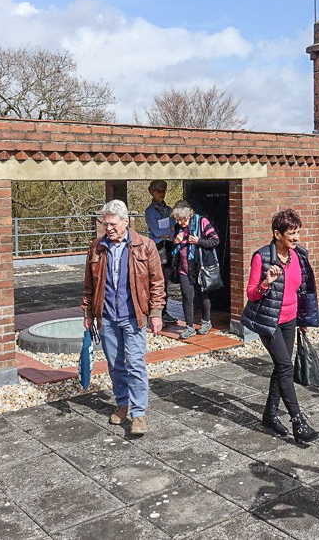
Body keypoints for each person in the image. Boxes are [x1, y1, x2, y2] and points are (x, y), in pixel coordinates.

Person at [82, 200, 166, 436]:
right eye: (105, 223)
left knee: (136, 364)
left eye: (112, 223)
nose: (107, 228)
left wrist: (156, 313)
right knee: (115, 364)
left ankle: (138, 413)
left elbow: (157, 282)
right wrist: (88, 313)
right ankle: (122, 403)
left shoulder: (145, 246)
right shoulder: (96, 247)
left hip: (134, 317)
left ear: (126, 221)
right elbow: (89, 285)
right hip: (108, 317)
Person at [242, 209, 319, 443]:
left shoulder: (299, 256)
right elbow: (251, 294)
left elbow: (303, 290)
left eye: (298, 232)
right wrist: (266, 282)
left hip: (290, 319)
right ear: (277, 234)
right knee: (285, 366)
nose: (296, 238)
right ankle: (298, 422)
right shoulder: (262, 257)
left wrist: (303, 320)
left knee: (280, 367)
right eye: (291, 233)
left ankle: (269, 414)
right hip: (269, 321)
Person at [170, 201, 220, 339]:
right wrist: (175, 241)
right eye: (178, 219)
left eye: (183, 219)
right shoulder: (178, 227)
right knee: (187, 297)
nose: (180, 222)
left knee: (203, 295)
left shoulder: (202, 222)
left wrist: (199, 241)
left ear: (190, 215)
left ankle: (206, 321)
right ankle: (189, 326)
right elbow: (173, 250)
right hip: (183, 267)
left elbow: (215, 240)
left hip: (200, 266)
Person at [144, 180, 178, 324]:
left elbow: (174, 228)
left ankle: (164, 312)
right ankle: (156, 312)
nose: (161, 194)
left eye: (163, 191)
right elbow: (157, 231)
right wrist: (167, 231)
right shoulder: (150, 211)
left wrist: (168, 232)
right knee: (157, 280)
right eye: (158, 191)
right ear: (152, 192)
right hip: (157, 248)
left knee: (166, 281)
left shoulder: (169, 209)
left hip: (169, 247)